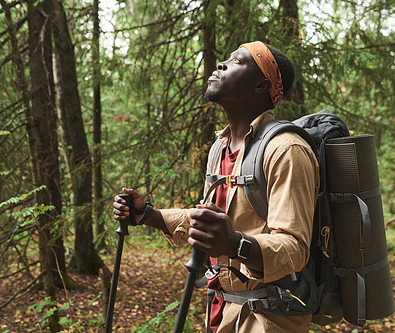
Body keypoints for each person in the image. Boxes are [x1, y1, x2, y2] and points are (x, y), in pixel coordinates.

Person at [112, 41, 319, 333]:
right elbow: (209, 221)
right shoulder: (219, 150)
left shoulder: (286, 150)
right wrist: (148, 215)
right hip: (221, 311)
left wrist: (236, 244)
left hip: (269, 318)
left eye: (237, 61)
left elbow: (294, 248)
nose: (221, 64)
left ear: (261, 85)